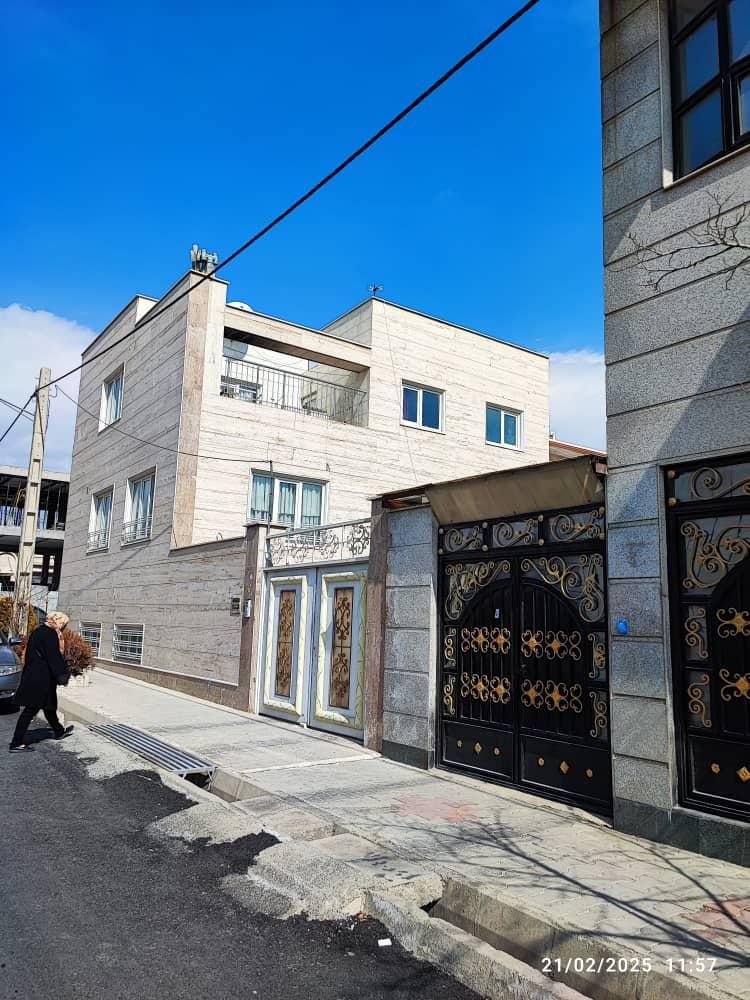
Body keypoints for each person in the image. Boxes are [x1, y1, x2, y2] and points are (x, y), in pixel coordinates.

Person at [9, 611, 74, 753]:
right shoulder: (50, 634)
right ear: (58, 621)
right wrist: (62, 675)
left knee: (49, 706)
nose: (63, 627)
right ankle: (16, 743)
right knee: (30, 710)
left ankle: (59, 731)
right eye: (63, 624)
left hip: (36, 675)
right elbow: (53, 657)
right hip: (40, 678)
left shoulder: (39, 631)